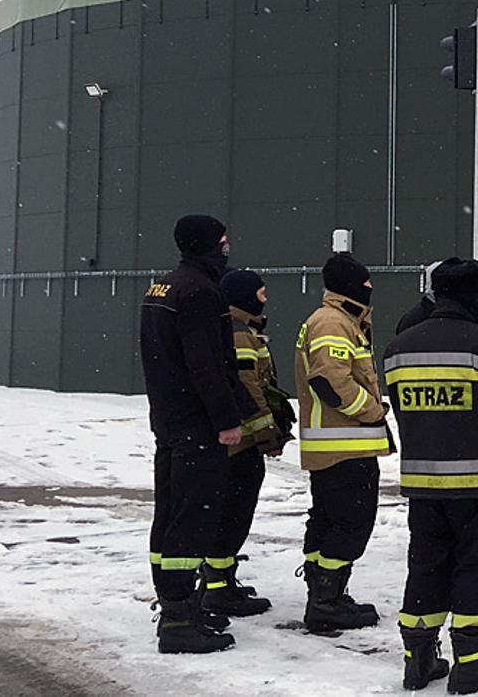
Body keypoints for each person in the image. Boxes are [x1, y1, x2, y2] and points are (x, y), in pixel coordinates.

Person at [384, 257, 478, 693]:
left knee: (426, 565)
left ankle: (418, 659)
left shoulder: (399, 348)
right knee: (477, 566)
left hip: (423, 481)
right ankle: (471, 663)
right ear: (475, 297)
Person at [139, 214, 255, 653]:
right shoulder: (201, 293)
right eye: (223, 240)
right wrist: (227, 419)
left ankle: (177, 603)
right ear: (209, 244)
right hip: (196, 425)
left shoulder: (162, 287)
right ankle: (177, 621)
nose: (228, 246)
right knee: (192, 517)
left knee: (169, 514)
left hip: (169, 420)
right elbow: (206, 364)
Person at [294, 252, 392, 632]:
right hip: (344, 447)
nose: (369, 289)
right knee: (350, 525)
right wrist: (372, 411)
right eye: (365, 282)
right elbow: (330, 381)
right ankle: (327, 602)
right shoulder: (334, 323)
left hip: (333, 447)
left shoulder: (338, 320)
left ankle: (323, 593)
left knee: (327, 521)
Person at [198, 269, 296, 619]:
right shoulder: (240, 335)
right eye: (261, 293)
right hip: (240, 446)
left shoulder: (243, 330)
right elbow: (248, 388)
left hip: (239, 443)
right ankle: (218, 588)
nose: (265, 298)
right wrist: (266, 432)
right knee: (232, 515)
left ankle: (220, 581)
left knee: (230, 514)